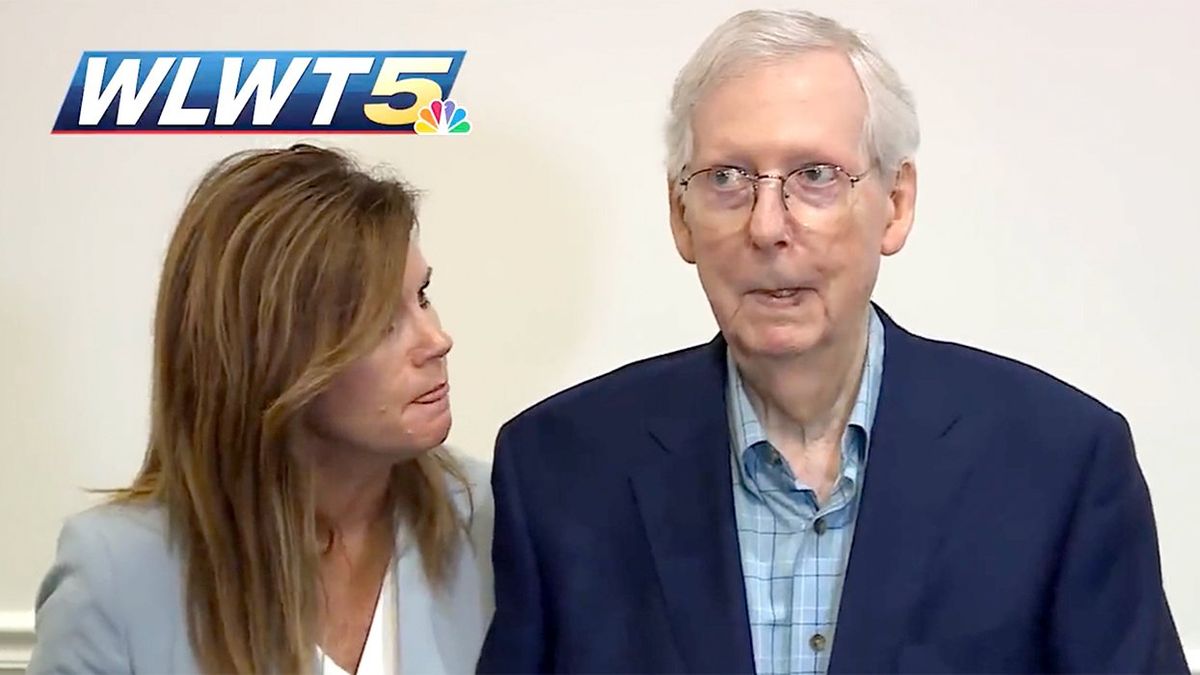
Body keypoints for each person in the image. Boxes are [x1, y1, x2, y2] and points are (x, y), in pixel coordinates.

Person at [477, 9, 1187, 675]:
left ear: (896, 203)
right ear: (680, 215)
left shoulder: (1060, 461)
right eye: (726, 178)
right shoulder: (558, 468)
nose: (767, 226)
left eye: (815, 176)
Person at [27, 143, 493, 675]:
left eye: (424, 297)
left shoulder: (494, 521)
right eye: (382, 321)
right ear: (268, 352)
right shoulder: (117, 572)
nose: (437, 340)